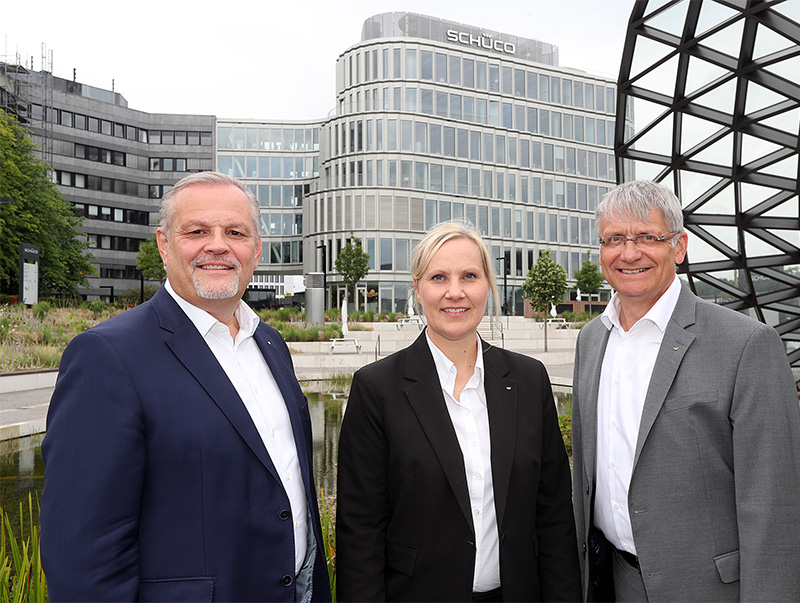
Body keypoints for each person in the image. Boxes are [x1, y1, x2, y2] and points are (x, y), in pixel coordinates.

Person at [41, 172, 332, 602]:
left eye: (235, 232)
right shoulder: (107, 356)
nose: (217, 245)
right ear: (164, 244)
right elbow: (82, 553)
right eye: (197, 231)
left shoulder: (270, 344)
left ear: (256, 250)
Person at [572, 180, 800, 602]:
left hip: (708, 589)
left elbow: (775, 505)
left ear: (679, 247)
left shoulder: (746, 345)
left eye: (647, 237)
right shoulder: (591, 340)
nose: (629, 252)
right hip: (613, 581)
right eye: (614, 239)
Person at [337, 221, 581, 602]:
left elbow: (553, 518)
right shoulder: (377, 389)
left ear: (488, 286)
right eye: (438, 277)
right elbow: (360, 531)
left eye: (469, 275)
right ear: (418, 289)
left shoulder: (529, 380)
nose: (455, 292)